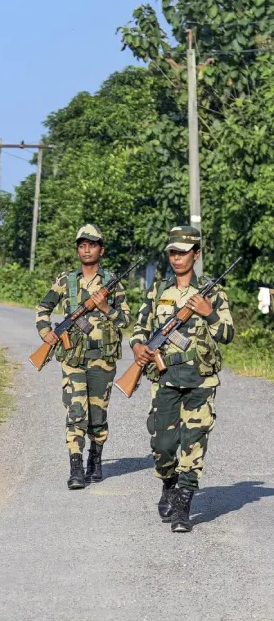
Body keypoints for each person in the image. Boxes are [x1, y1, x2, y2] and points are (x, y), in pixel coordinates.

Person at [130, 225, 234, 533]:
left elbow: (227, 334)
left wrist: (208, 312)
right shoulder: (158, 291)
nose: (177, 258)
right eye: (173, 252)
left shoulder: (212, 292)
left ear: (196, 254)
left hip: (200, 381)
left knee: (193, 444)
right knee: (162, 445)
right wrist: (138, 345)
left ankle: (183, 506)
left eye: (183, 252)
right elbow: (140, 327)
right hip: (165, 378)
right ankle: (169, 484)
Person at [35, 224, 131, 490]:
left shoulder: (112, 282)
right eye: (82, 244)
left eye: (92, 244)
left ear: (101, 248)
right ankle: (75, 467)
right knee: (76, 412)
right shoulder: (66, 280)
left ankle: (95, 460)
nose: (86, 249)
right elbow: (44, 307)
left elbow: (125, 319)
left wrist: (105, 307)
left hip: (103, 358)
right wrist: (45, 331)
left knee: (97, 415)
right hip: (73, 359)